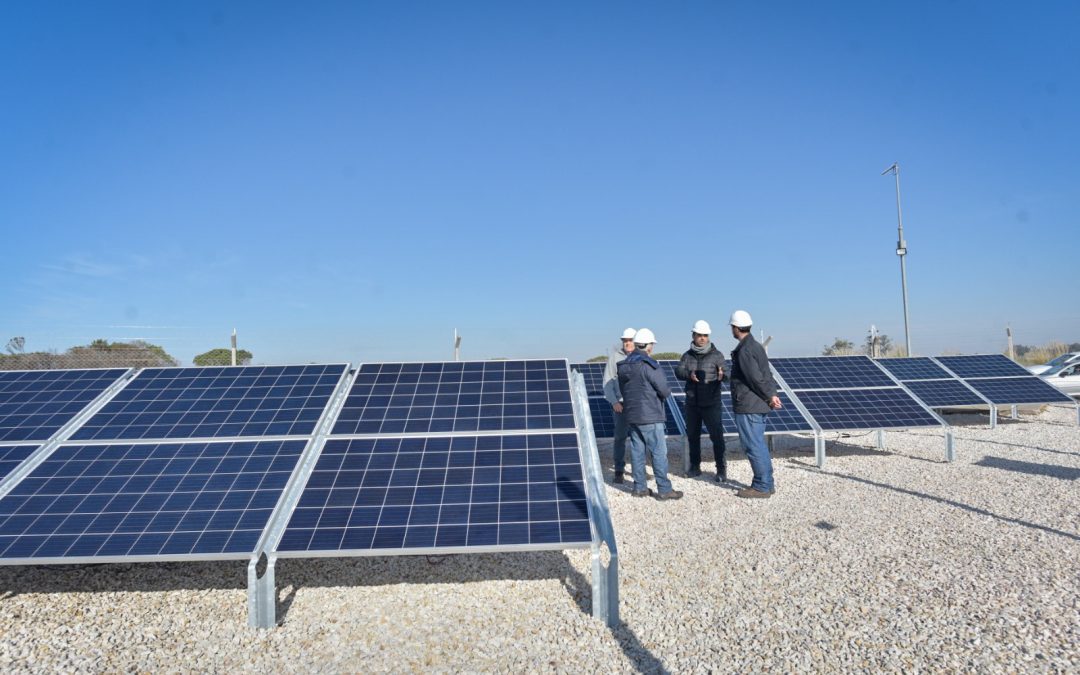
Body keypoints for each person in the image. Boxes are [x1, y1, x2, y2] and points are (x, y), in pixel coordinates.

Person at [617, 328, 683, 500]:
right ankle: (664, 489)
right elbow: (664, 390)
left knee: (637, 451)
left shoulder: (624, 366)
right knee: (658, 452)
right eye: (652, 344)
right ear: (648, 346)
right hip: (651, 415)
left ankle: (639, 488)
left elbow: (624, 389)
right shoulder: (649, 365)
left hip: (632, 415)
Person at [728, 310, 782, 498]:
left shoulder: (745, 350)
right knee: (758, 443)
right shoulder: (756, 346)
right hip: (758, 404)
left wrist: (769, 395)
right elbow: (766, 375)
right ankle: (767, 483)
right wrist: (772, 394)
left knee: (753, 445)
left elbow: (754, 378)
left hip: (749, 405)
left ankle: (761, 486)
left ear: (736, 328)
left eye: (732, 327)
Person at [675, 320, 728, 481]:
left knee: (717, 437)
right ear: (693, 336)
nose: (703, 338)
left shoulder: (717, 355)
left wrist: (723, 376)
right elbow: (679, 371)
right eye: (700, 335)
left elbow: (727, 373)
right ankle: (695, 467)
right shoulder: (687, 355)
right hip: (692, 403)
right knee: (693, 436)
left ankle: (721, 470)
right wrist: (688, 375)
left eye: (705, 335)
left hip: (711, 403)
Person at [603, 327, 637, 484]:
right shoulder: (614, 358)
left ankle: (639, 470)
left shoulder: (640, 357)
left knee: (639, 439)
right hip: (621, 406)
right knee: (620, 438)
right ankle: (619, 470)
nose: (627, 343)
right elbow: (607, 383)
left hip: (638, 405)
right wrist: (614, 401)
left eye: (630, 340)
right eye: (625, 341)